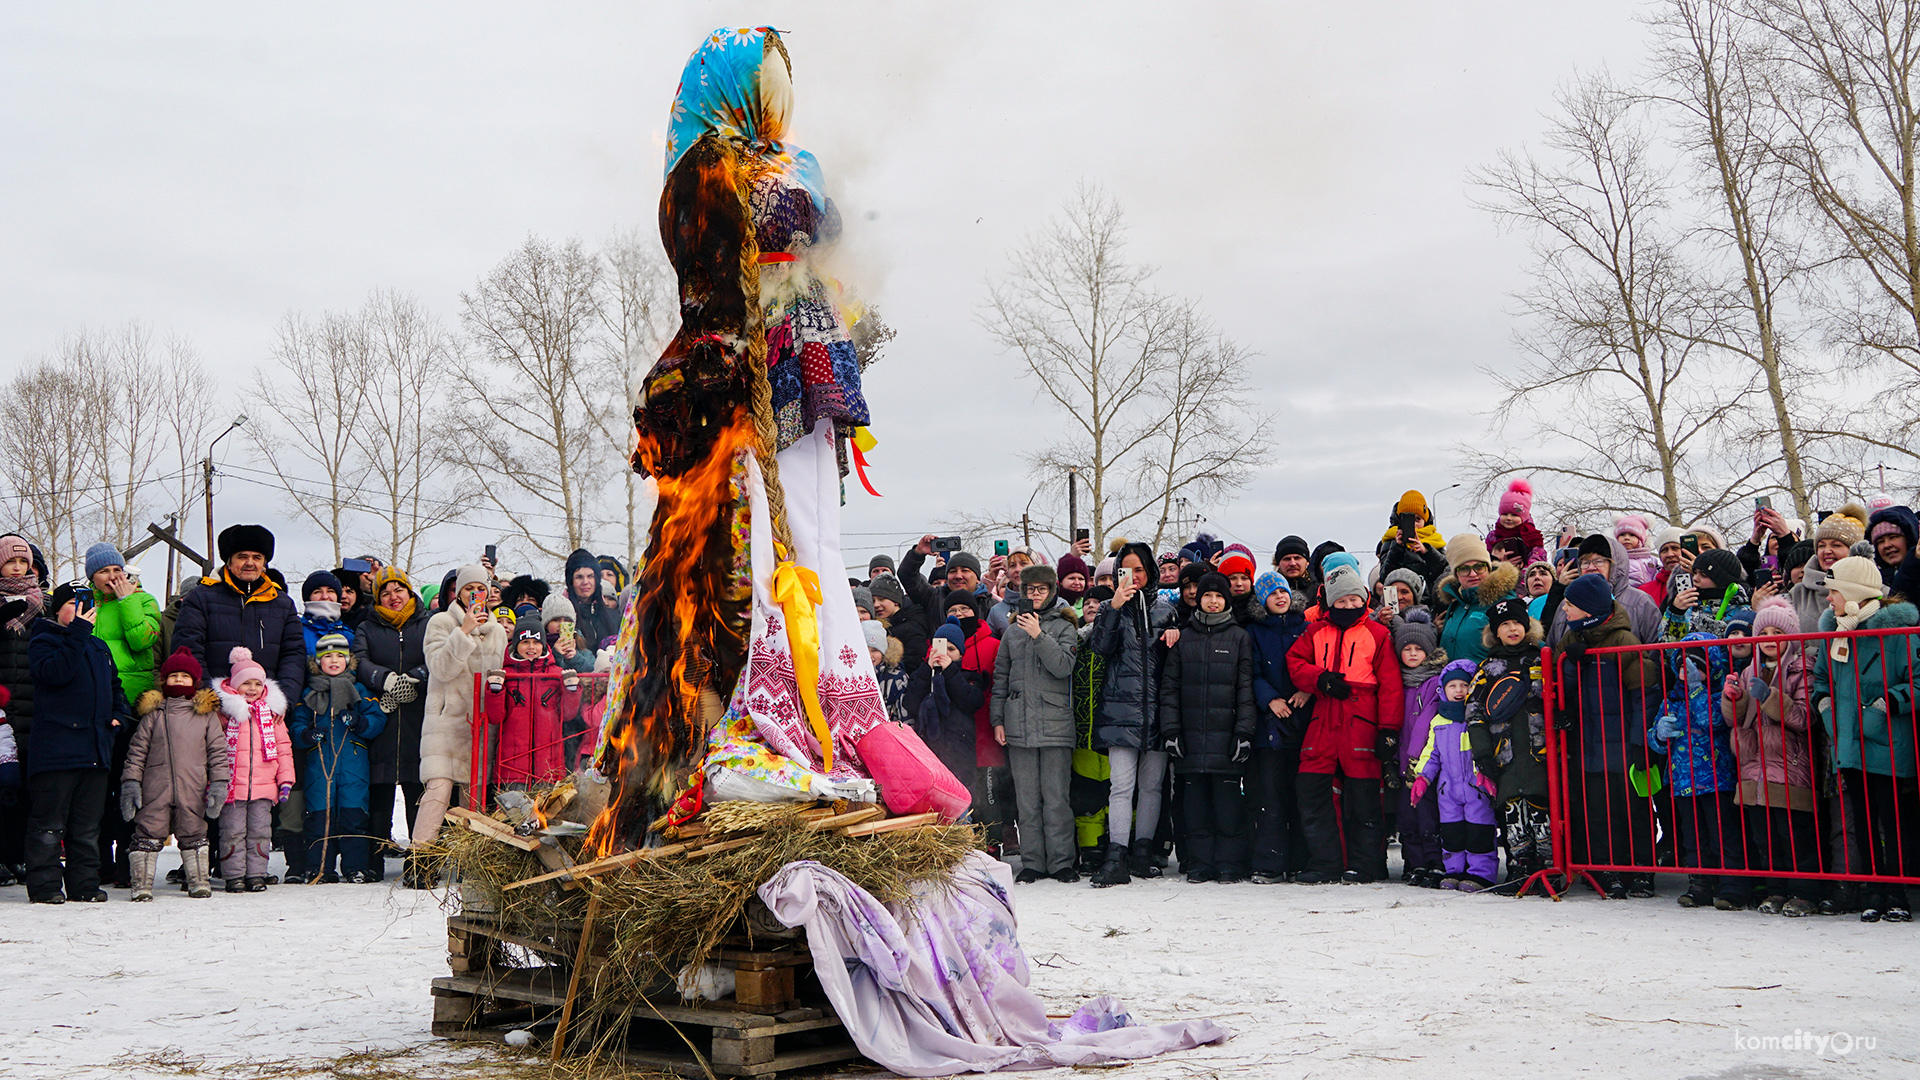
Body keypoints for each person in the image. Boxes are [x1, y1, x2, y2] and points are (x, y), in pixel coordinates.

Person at [1813, 555, 1918, 922]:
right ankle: (1873, 890)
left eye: (1834, 591)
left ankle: (1897, 894)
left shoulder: (1898, 633)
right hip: (1849, 742)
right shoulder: (1835, 631)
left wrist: (1887, 703)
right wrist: (1824, 706)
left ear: (1854, 593)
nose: (1829, 600)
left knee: (1893, 821)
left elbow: (1918, 681)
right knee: (1862, 820)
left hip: (1887, 741)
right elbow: (1821, 679)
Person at [1287, 564, 1403, 883]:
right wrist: (1319, 679)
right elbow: (1295, 663)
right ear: (1331, 602)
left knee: (1365, 800)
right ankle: (1326, 862)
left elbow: (1391, 685)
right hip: (1323, 719)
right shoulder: (1314, 632)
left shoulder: (1378, 634)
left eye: (1355, 599)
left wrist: (1388, 729)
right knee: (1314, 793)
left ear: (1364, 599)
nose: (1350, 606)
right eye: (1343, 601)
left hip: (1361, 719)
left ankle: (1367, 864)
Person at [24, 581, 132, 903]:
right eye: (73, 603)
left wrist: (119, 717)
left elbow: (116, 688)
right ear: (56, 610)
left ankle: (85, 885)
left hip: (95, 751)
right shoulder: (43, 639)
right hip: (55, 752)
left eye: (86, 603)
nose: (82, 610)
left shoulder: (99, 648)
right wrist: (79, 633)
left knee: (87, 828)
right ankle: (45, 888)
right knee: (49, 824)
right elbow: (56, 674)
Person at [1554, 572, 1660, 899]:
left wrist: (1639, 741)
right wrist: (1570, 665)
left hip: (1622, 742)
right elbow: (1562, 691)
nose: (1565, 610)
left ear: (1587, 608)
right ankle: (1605, 868)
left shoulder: (1624, 641)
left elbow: (1644, 692)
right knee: (1595, 808)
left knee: (1630, 808)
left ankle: (1640, 870)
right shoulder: (1571, 640)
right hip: (1586, 742)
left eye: (1570, 604)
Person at [410, 565, 509, 883]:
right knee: (438, 791)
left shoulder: (498, 630)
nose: (475, 594)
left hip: (481, 726)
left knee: (475, 797)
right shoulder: (441, 622)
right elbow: (439, 669)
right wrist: (463, 631)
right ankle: (420, 864)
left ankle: (472, 865)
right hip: (445, 722)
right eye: (469, 589)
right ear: (458, 591)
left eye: (482, 588)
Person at [1088, 543, 1176, 887]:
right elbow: (1099, 649)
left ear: (1150, 572)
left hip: (1156, 710)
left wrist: (1176, 633)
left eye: (1139, 570)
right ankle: (1116, 854)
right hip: (1118, 709)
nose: (1134, 577)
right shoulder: (1111, 608)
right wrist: (1114, 609)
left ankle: (1143, 851)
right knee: (1121, 786)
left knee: (1152, 786)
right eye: (1126, 570)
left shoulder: (1166, 611)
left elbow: (1173, 660)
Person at [1158, 572, 1257, 883]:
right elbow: (1169, 689)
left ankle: (1230, 863)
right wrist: (1171, 731)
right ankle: (1199, 863)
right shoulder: (1182, 638)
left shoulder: (1240, 637)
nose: (1213, 602)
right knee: (1195, 808)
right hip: (1189, 740)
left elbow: (1246, 689)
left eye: (1219, 596)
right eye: (1207, 596)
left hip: (1226, 739)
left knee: (1228, 809)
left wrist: (1243, 733)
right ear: (1198, 599)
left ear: (1226, 600)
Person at [1724, 596, 1818, 917]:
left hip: (1789, 766)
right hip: (1754, 768)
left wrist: (1773, 698)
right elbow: (1734, 720)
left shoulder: (1799, 669)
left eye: (1778, 633)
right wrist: (1733, 698)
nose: (1769, 641)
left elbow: (1806, 718)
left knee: (1795, 834)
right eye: (1763, 635)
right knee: (1766, 837)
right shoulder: (1749, 670)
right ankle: (1777, 889)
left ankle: (1804, 891)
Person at [991, 564, 1080, 884]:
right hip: (1019, 726)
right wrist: (998, 719)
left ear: (1051, 591)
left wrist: (1039, 635)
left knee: (1056, 798)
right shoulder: (1012, 631)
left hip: (1056, 724)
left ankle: (1061, 862)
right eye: (1031, 590)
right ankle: (1033, 863)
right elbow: (1000, 678)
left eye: (1042, 589)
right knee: (1027, 800)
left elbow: (1062, 667)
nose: (1036, 595)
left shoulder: (1065, 626)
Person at [121, 648, 227, 899]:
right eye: (174, 675)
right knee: (147, 832)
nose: (179, 679)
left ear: (195, 681)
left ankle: (198, 881)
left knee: (194, 833)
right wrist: (131, 783)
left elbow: (218, 752)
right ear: (164, 680)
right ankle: (142, 884)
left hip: (193, 788)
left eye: (185, 676)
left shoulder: (206, 716)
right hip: (155, 789)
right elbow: (136, 752)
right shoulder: (153, 714)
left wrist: (219, 784)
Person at [1650, 632, 1743, 909]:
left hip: (1716, 780)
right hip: (1682, 780)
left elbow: (1712, 720)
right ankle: (1699, 884)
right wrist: (1658, 735)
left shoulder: (1716, 696)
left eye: (1696, 667)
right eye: (1682, 665)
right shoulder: (1671, 700)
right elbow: (1656, 742)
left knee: (1723, 835)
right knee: (1693, 837)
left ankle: (1732, 885)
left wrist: (1695, 690)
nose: (1687, 672)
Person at [1463, 597, 1551, 892]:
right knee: (1513, 810)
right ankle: (1519, 869)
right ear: (1495, 632)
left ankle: (1549, 869)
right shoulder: (1487, 668)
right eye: (1504, 625)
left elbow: (1561, 695)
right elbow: (1474, 712)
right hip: (1506, 754)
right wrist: (1483, 752)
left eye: (1517, 623)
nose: (1512, 629)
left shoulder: (1543, 659)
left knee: (1542, 807)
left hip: (1541, 752)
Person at [289, 633, 387, 883]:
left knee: (354, 817)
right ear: (317, 662)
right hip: (319, 765)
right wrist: (307, 735)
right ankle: (320, 867)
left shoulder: (359, 690)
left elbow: (377, 720)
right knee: (320, 818)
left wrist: (359, 722)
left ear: (348, 660)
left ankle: (355, 867)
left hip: (353, 764)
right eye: (327, 657)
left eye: (339, 656)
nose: (333, 661)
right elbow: (297, 725)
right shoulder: (310, 692)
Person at [173, 524, 306, 704]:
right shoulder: (200, 598)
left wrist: (281, 701)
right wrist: (210, 699)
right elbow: (188, 650)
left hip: (267, 709)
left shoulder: (282, 603)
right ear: (229, 560)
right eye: (242, 557)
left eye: (257, 557)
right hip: (214, 709)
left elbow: (293, 655)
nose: (250, 563)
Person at [352, 566, 430, 863]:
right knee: (380, 792)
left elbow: (437, 655)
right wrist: (383, 678)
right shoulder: (367, 626)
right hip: (380, 718)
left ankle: (421, 860)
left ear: (409, 592)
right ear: (377, 598)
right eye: (385, 592)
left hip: (417, 719)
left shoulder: (427, 623)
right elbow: (358, 660)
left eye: (398, 590)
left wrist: (416, 676)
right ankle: (374, 858)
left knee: (417, 792)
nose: (393, 597)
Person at [1246, 572, 1311, 884]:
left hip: (1304, 719)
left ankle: (1301, 861)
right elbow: (1252, 672)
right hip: (1269, 723)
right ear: (1263, 601)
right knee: (1270, 795)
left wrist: (1307, 689)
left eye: (1283, 592)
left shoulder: (1306, 627)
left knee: (1301, 794)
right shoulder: (1254, 632)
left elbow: (1317, 663)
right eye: (1272, 594)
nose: (1280, 598)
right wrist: (1269, 700)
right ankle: (1270, 863)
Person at [213, 646, 293, 893]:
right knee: (232, 833)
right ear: (234, 686)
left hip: (264, 787)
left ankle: (257, 874)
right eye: (245, 683)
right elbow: (213, 749)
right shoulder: (225, 714)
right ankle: (234, 875)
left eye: (256, 684)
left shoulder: (271, 715)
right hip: (231, 789)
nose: (252, 689)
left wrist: (286, 780)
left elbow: (283, 749)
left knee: (260, 832)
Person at [1409, 660, 1494, 890]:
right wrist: (1422, 777)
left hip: (1476, 787)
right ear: (1443, 690)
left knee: (1479, 830)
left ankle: (1481, 873)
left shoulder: (1477, 717)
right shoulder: (1439, 721)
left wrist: (1487, 773)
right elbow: (1431, 753)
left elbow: (1484, 748)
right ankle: (1454, 870)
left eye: (1463, 685)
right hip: (1448, 790)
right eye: (1452, 686)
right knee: (1452, 831)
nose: (1458, 691)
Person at [0, 533, 45, 887]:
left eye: (22, 561)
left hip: (36, 708)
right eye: (10, 561)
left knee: (28, 790)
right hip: (2, 707)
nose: (17, 567)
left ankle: (19, 856)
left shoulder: (41, 604)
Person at [486, 626, 581, 788]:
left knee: (547, 812)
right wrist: (495, 690)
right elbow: (495, 717)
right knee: (512, 812)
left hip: (549, 766)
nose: (531, 647)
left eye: (536, 642)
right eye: (525, 642)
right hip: (512, 766)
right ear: (515, 645)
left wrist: (572, 690)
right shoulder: (505, 674)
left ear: (543, 645)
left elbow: (568, 715)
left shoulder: (557, 673)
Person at [1392, 610, 1448, 887]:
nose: (1413, 654)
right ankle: (1413, 863)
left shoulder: (1433, 682)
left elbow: (1428, 720)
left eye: (1418, 649)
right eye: (1406, 649)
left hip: (1424, 764)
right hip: (1401, 765)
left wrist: (1416, 758)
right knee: (1407, 817)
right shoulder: (1396, 683)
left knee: (1428, 815)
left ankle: (1434, 861)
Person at [902, 625, 986, 805]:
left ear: (961, 654)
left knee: (961, 798)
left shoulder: (969, 677)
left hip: (959, 750)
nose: (945, 653)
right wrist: (927, 669)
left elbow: (971, 702)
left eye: (951, 649)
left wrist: (950, 672)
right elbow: (910, 703)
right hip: (929, 747)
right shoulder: (923, 673)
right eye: (940, 647)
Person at [1433, 534, 1518, 666]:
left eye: (1479, 567)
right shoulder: (1455, 605)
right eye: (1464, 569)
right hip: (1453, 684)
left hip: (1486, 683)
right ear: (1456, 574)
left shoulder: (1504, 603)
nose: (1473, 574)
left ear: (1488, 567)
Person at [1791, 503, 1867, 632]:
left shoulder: (1875, 590)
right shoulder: (1798, 594)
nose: (1827, 551)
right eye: (1821, 546)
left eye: (1836, 545)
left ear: (1854, 551)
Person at [900, 535, 985, 637]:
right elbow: (907, 576)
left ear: (977, 578)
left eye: (965, 571)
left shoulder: (989, 603)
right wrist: (918, 553)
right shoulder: (934, 598)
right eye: (953, 571)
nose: (958, 576)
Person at [1663, 548, 1751, 640]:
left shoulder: (1742, 611)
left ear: (1722, 579)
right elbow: (1667, 647)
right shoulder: (1687, 606)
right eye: (1695, 572)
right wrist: (1676, 612)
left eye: (1703, 575)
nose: (1695, 578)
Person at [1375, 491, 1449, 592]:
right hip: (1402, 600)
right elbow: (1385, 577)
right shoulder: (1390, 542)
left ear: (1425, 521)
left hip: (1430, 602)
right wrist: (1397, 549)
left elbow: (1445, 573)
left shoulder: (1435, 542)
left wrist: (1427, 552)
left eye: (1418, 519)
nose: (1413, 524)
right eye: (1407, 520)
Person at [869, 572, 927, 673]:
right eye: (873, 601)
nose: (876, 605)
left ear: (896, 600)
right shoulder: (874, 627)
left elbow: (915, 663)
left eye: (882, 599)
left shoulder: (913, 626)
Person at [563, 548, 619, 651]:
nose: (585, 582)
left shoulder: (613, 617)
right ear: (570, 581)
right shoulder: (564, 618)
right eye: (579, 577)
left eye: (590, 576)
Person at [1484, 479, 1546, 565]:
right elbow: (1485, 561)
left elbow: (1538, 560)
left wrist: (1525, 571)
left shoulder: (1532, 537)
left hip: (1527, 575)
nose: (1509, 518)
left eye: (1514, 515)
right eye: (1505, 514)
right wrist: (1501, 565)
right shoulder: (1493, 537)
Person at [864, 620, 909, 725]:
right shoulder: (851, 677)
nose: (869, 655)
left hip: (888, 733)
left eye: (875, 650)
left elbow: (904, 714)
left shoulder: (897, 678)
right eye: (865, 650)